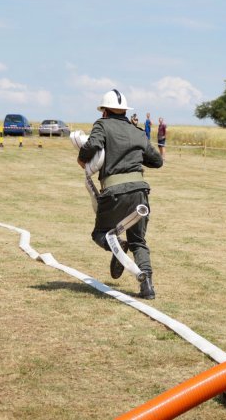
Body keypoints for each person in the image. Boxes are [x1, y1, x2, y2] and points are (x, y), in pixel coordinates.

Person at [77, 89, 163, 299]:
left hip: (114, 192)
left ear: (104, 111)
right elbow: (157, 161)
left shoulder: (102, 125)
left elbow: (94, 144)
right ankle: (148, 287)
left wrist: (82, 159)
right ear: (125, 111)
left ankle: (118, 247)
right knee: (138, 241)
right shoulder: (137, 131)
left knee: (100, 234)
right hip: (139, 191)